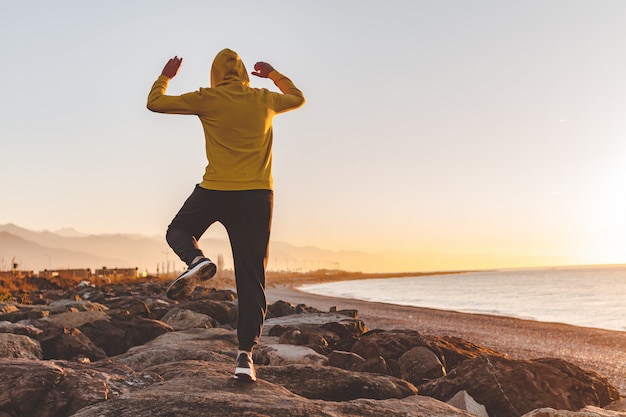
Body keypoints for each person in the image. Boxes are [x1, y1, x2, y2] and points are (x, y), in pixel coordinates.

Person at [146, 48, 305, 381]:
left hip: (215, 190)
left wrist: (166, 77)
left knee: (178, 231)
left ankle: (196, 260)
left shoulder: (208, 97)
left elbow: (155, 103)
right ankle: (245, 355)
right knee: (251, 279)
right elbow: (298, 97)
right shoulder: (263, 99)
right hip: (257, 196)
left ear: (215, 75)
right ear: (246, 73)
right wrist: (274, 74)